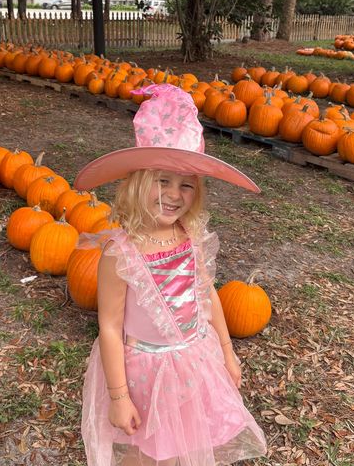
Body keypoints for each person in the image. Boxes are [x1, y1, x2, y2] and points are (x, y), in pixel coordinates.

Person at [73, 83, 267, 466]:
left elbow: (207, 295)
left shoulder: (189, 236)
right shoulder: (120, 253)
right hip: (147, 373)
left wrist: (227, 353)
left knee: (187, 442)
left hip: (195, 362)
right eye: (162, 181)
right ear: (138, 182)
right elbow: (110, 327)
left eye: (186, 185)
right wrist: (118, 396)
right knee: (146, 450)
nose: (174, 194)